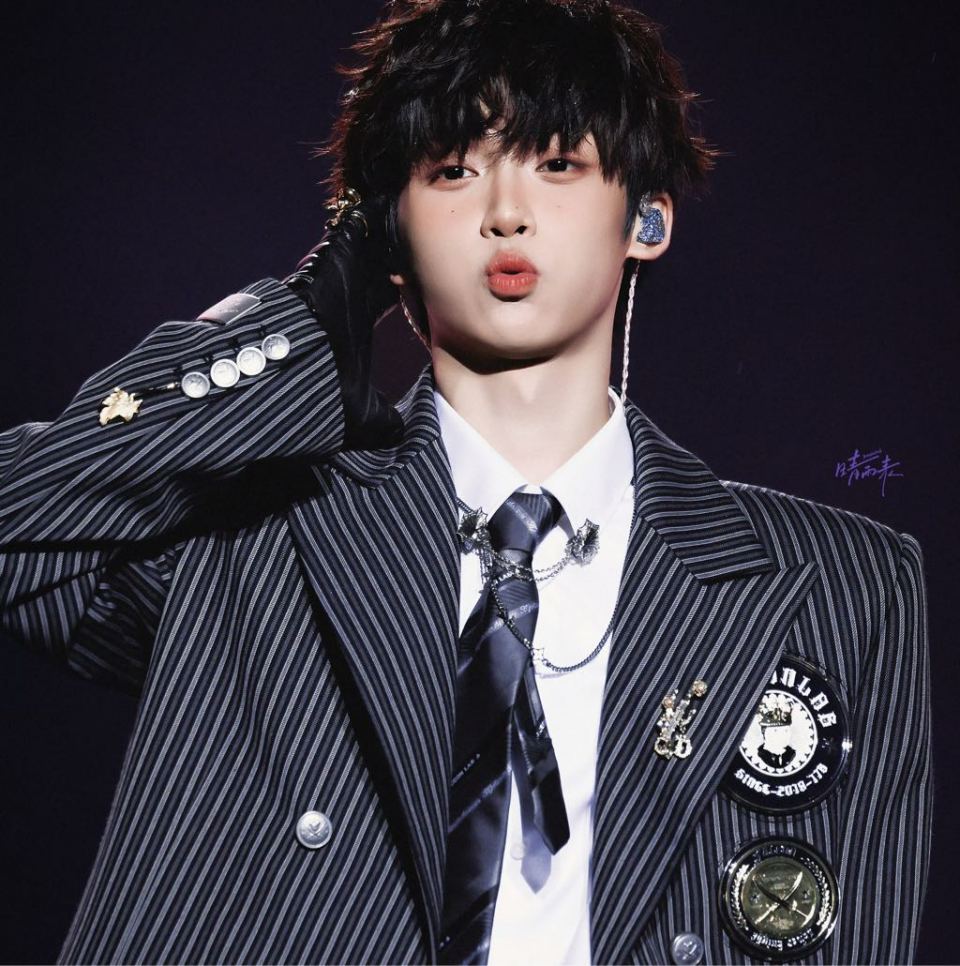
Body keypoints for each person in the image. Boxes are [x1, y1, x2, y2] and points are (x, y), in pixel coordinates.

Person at [0, 0, 932, 963]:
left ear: (647, 217)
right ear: (387, 233)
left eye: (557, 163)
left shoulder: (846, 587)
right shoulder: (256, 540)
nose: (505, 212)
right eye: (453, 170)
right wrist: (300, 327)